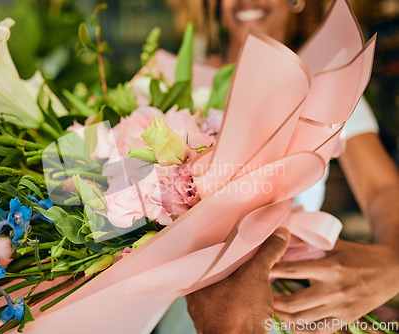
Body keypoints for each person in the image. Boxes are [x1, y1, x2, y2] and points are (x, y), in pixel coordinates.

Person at [158, 0, 399, 333]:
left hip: (293, 299)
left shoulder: (328, 86)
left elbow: (382, 189)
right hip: (187, 303)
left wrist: (393, 263)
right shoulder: (167, 83)